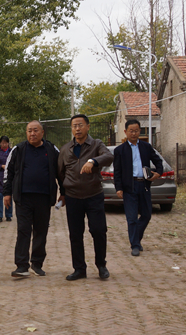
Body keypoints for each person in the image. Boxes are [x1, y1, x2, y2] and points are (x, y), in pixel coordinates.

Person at [4, 122, 64, 277]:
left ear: (42, 132)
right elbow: (9, 172)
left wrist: (63, 193)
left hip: (44, 198)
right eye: (29, 131)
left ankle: (37, 264)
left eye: (35, 130)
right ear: (26, 133)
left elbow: (61, 172)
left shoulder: (52, 150)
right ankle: (22, 266)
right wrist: (7, 193)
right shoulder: (19, 149)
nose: (32, 134)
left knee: (41, 231)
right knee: (23, 230)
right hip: (23, 198)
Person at [58, 114, 114, 281]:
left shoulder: (96, 144)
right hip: (73, 197)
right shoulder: (65, 149)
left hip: (93, 195)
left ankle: (101, 265)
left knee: (98, 230)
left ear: (88, 127)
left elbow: (109, 157)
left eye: (80, 125)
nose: (77, 129)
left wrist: (93, 161)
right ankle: (79, 269)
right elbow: (60, 173)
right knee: (75, 234)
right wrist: (63, 193)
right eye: (74, 126)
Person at [113, 119, 163, 256]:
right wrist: (118, 188)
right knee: (132, 218)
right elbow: (117, 172)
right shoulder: (120, 150)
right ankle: (135, 245)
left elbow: (158, 161)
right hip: (129, 187)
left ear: (139, 131)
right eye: (131, 131)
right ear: (125, 132)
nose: (134, 133)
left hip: (144, 185)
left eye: (136, 131)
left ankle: (136, 238)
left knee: (146, 215)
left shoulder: (146, 147)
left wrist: (158, 172)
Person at [0, 136, 13, 222]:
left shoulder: (12, 152)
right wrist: (1, 166)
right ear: (0, 143)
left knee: (9, 195)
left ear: (8, 143)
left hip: (9, 176)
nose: (4, 145)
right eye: (2, 143)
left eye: (5, 143)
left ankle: (9, 215)